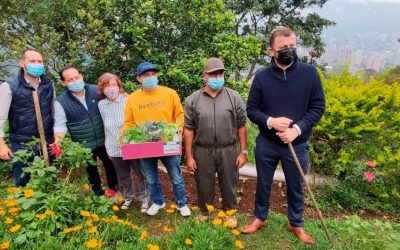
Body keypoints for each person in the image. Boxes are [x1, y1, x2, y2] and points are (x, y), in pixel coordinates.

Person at [243, 27, 326, 245]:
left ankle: (295, 223)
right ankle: (260, 217)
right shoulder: (261, 77)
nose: (289, 51)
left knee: (296, 184)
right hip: (267, 143)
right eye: (283, 48)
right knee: (263, 182)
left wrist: (296, 129)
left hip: (297, 143)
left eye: (292, 46)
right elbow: (252, 110)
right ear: (272, 51)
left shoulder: (310, 74)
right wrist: (271, 121)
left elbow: (318, 107)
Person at [120, 62, 191, 217]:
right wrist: (123, 136)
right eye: (146, 75)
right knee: (151, 178)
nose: (151, 78)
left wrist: (178, 129)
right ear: (139, 79)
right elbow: (129, 122)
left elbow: (179, 115)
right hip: (145, 144)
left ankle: (182, 203)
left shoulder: (170, 93)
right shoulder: (133, 99)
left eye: (153, 74)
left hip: (168, 141)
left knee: (176, 176)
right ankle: (159, 202)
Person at [184, 58, 247, 228]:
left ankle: (230, 213)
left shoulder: (234, 97)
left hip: (229, 149)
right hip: (203, 150)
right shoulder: (193, 100)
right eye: (213, 74)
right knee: (203, 182)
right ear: (204, 76)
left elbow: (241, 125)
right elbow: (188, 129)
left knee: (229, 182)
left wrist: (243, 151)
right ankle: (205, 212)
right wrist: (189, 156)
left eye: (220, 73)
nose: (217, 77)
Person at [54, 66, 118, 196]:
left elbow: (115, 100)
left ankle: (114, 190)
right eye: (70, 79)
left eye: (77, 77)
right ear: (64, 83)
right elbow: (60, 125)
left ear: (81, 76)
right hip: (84, 143)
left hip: (105, 137)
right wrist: (58, 142)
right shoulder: (60, 102)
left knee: (110, 164)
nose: (75, 81)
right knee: (91, 168)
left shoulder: (97, 90)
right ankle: (97, 193)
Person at [0, 48, 55, 186]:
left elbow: (54, 112)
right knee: (21, 179)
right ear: (22, 63)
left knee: (50, 177)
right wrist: (1, 145)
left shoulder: (48, 84)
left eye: (40, 61)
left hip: (47, 140)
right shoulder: (9, 86)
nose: (37, 64)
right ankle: (20, 205)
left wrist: (56, 138)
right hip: (22, 142)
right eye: (32, 61)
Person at [97, 72, 150, 212]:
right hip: (114, 147)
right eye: (107, 86)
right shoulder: (101, 105)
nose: (111, 88)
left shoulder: (128, 100)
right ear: (102, 89)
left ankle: (145, 198)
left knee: (142, 173)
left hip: (132, 145)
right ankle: (129, 197)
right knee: (124, 175)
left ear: (119, 86)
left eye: (114, 85)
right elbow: (103, 125)